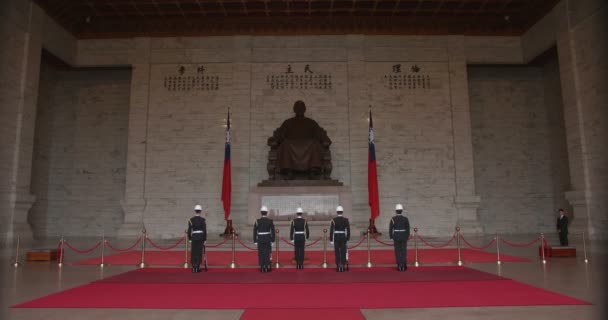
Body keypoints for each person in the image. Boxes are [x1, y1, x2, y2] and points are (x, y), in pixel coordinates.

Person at [270, 100, 331, 179]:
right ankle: (288, 170)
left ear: (304, 109)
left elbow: (319, 134)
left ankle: (313, 170)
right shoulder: (288, 122)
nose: (300, 110)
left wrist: (325, 139)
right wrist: (273, 139)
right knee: (286, 143)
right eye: (298, 108)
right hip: (290, 146)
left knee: (314, 143)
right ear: (294, 110)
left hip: (309, 146)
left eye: (301, 108)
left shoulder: (311, 122)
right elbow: (280, 135)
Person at [389, 204, 410, 271]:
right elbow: (408, 229)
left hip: (396, 236)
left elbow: (390, 229)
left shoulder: (393, 219)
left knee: (397, 251)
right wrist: (407, 236)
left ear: (396, 211)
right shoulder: (405, 219)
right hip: (403, 236)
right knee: (403, 251)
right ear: (402, 211)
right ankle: (403, 266)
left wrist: (391, 236)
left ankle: (399, 266)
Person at [254, 206, 275, 273]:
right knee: (267, 252)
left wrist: (255, 240)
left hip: (260, 239)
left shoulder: (257, 221)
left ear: (261, 213)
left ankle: (262, 267)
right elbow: (273, 231)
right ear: (266, 212)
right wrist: (272, 240)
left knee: (261, 253)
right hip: (267, 238)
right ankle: (266, 267)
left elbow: (254, 231)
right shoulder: (270, 221)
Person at [329, 205, 350, 272]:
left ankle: (338, 266)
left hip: (336, 237)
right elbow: (348, 230)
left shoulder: (333, 220)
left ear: (337, 212)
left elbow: (331, 230)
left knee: (337, 252)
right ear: (342, 212)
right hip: (343, 237)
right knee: (343, 252)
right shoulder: (346, 220)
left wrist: (331, 239)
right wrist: (347, 238)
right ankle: (343, 266)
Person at [187, 204, 207, 273]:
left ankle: (193, 267)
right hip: (200, 237)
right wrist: (205, 239)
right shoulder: (203, 220)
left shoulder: (191, 220)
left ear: (195, 211)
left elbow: (189, 230)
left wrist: (189, 238)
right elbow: (204, 231)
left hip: (194, 237)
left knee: (194, 252)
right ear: (200, 211)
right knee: (199, 252)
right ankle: (197, 267)